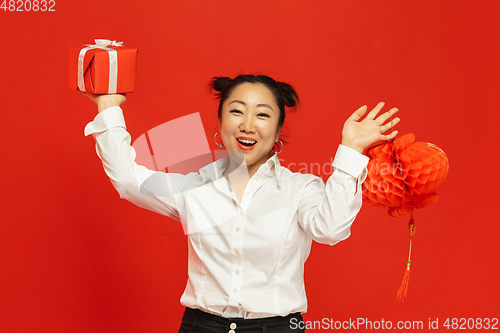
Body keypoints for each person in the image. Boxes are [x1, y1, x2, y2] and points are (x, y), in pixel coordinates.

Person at [79, 74, 400, 332]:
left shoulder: (300, 188)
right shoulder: (195, 188)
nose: (248, 124)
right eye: (237, 111)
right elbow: (129, 180)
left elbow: (329, 229)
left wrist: (351, 149)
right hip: (200, 326)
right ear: (220, 125)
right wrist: (108, 106)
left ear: (277, 133)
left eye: (262, 115)